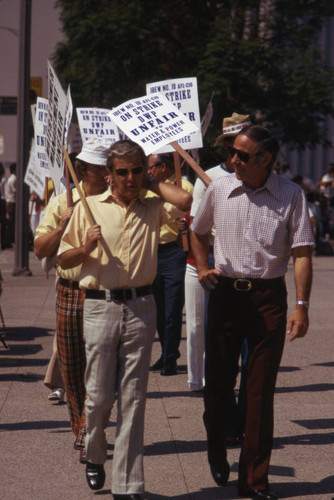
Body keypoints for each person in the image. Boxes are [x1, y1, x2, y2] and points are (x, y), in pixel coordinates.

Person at [57, 140, 192, 499]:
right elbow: (63, 260)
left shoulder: (152, 206)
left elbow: (186, 202)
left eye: (136, 170)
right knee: (99, 396)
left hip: (141, 307)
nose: (129, 178)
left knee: (134, 397)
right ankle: (95, 453)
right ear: (108, 174)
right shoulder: (88, 208)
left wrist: (150, 182)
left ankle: (128, 484)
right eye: (122, 172)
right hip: (99, 305)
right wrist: (85, 248)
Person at [191, 125, 315, 500]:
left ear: (266, 160)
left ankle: (255, 481)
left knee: (259, 395)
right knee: (216, 388)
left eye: (242, 156)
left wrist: (301, 306)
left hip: (268, 300)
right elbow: (197, 231)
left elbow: (303, 253)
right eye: (232, 153)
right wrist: (201, 267)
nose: (233, 161)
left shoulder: (292, 195)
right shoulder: (219, 189)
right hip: (226, 295)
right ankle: (216, 444)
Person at [35, 138, 109, 463]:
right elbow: (41, 249)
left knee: (102, 370)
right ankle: (83, 428)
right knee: (73, 367)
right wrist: (63, 225)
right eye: (101, 168)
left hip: (105, 293)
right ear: (83, 170)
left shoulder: (119, 202)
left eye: (111, 167)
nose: (109, 174)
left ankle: (91, 429)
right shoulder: (61, 202)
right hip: (70, 292)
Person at [187, 112, 251, 444]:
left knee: (249, 354)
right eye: (233, 145)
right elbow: (196, 227)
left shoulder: (261, 178)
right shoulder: (208, 179)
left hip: (254, 272)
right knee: (223, 351)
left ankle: (241, 420)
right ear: (226, 145)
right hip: (220, 265)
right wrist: (203, 265)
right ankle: (223, 418)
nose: (238, 152)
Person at [146, 152, 193, 376]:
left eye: (152, 167)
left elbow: (184, 211)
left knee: (173, 308)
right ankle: (166, 353)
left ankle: (170, 358)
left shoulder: (184, 187)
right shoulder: (148, 187)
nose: (149, 172)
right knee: (157, 309)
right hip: (151, 252)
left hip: (174, 252)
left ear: (164, 167)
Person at [5, 163, 16, 244]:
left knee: (12, 221)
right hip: (12, 202)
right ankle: (10, 239)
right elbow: (15, 191)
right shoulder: (13, 179)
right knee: (12, 221)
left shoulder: (11, 178)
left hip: (10, 202)